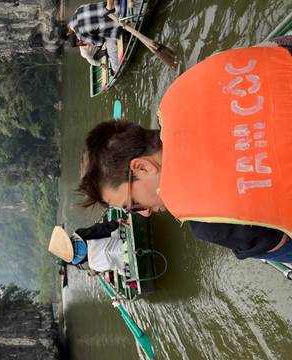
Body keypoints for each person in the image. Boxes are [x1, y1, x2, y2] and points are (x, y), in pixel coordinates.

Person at [78, 37, 292, 263]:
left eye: (133, 205)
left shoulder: (208, 223)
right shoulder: (181, 90)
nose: (145, 213)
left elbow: (283, 249)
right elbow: (276, 49)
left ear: (142, 167)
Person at [64, 0, 121, 73]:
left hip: (112, 22)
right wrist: (101, 64)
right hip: (112, 6)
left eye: (77, 40)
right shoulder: (78, 10)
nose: (79, 41)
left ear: (68, 34)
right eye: (78, 42)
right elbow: (91, 61)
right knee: (105, 51)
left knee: (110, 47)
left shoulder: (82, 35)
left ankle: (116, 70)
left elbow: (99, 42)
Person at [48, 221, 127, 274]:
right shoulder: (79, 235)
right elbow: (98, 230)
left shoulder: (74, 260)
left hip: (106, 262)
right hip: (114, 245)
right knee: (103, 234)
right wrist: (114, 224)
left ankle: (120, 268)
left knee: (96, 264)